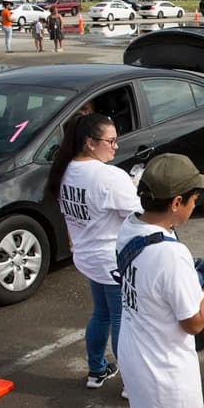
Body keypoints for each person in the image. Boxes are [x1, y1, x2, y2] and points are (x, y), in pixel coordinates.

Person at [117, 154, 204, 408]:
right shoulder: (169, 255)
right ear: (177, 202)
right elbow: (194, 322)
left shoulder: (130, 226)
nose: (196, 205)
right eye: (194, 199)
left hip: (137, 359)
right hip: (164, 378)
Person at [47, 112, 141, 389]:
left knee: (101, 313)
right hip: (111, 258)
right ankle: (130, 384)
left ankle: (96, 370)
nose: (115, 146)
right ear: (90, 142)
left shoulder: (64, 169)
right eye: (109, 141)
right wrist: (135, 187)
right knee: (122, 318)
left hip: (86, 255)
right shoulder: (109, 176)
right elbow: (139, 215)